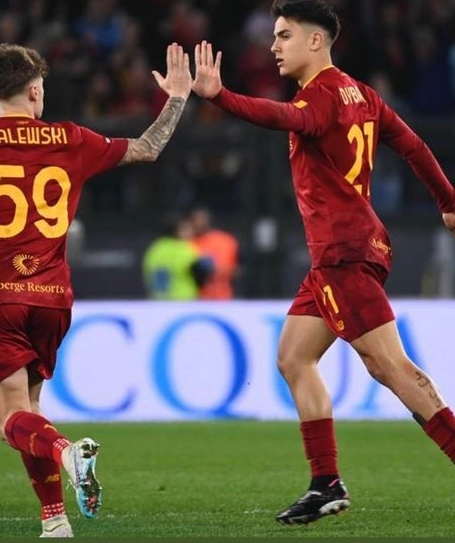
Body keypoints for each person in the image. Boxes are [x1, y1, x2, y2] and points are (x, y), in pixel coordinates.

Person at [0, 42, 191, 537]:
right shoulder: (71, 138)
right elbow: (148, 147)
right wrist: (176, 97)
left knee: (9, 421)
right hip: (51, 298)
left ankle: (69, 454)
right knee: (30, 413)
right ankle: (54, 520)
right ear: (33, 91)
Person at [192, 0, 455, 527]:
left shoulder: (320, 97)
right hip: (347, 251)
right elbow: (414, 146)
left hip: (343, 252)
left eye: (284, 35)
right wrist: (448, 201)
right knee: (293, 357)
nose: (273, 46)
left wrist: (221, 96)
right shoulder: (364, 95)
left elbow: (283, 117)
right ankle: (325, 482)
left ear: (316, 41)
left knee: (390, 366)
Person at [142, 212, 212, 300]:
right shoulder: (185, 248)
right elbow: (202, 270)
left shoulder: (155, 249)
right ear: (175, 230)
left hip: (158, 301)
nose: (191, 232)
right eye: (186, 228)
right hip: (183, 300)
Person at [188, 206, 239, 299]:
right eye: (196, 219)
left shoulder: (225, 240)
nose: (199, 223)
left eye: (202, 219)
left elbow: (237, 268)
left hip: (223, 297)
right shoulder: (186, 243)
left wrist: (217, 271)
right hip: (196, 298)